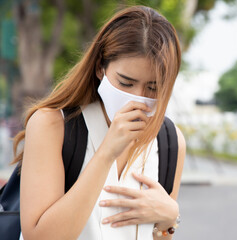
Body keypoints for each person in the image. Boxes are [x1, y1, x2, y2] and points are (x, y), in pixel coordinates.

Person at [11, 5, 185, 240]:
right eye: (125, 83)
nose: (138, 96)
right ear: (100, 68)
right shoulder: (52, 125)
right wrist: (106, 153)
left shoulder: (170, 140)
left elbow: (159, 236)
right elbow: (41, 237)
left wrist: (169, 219)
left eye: (153, 88)